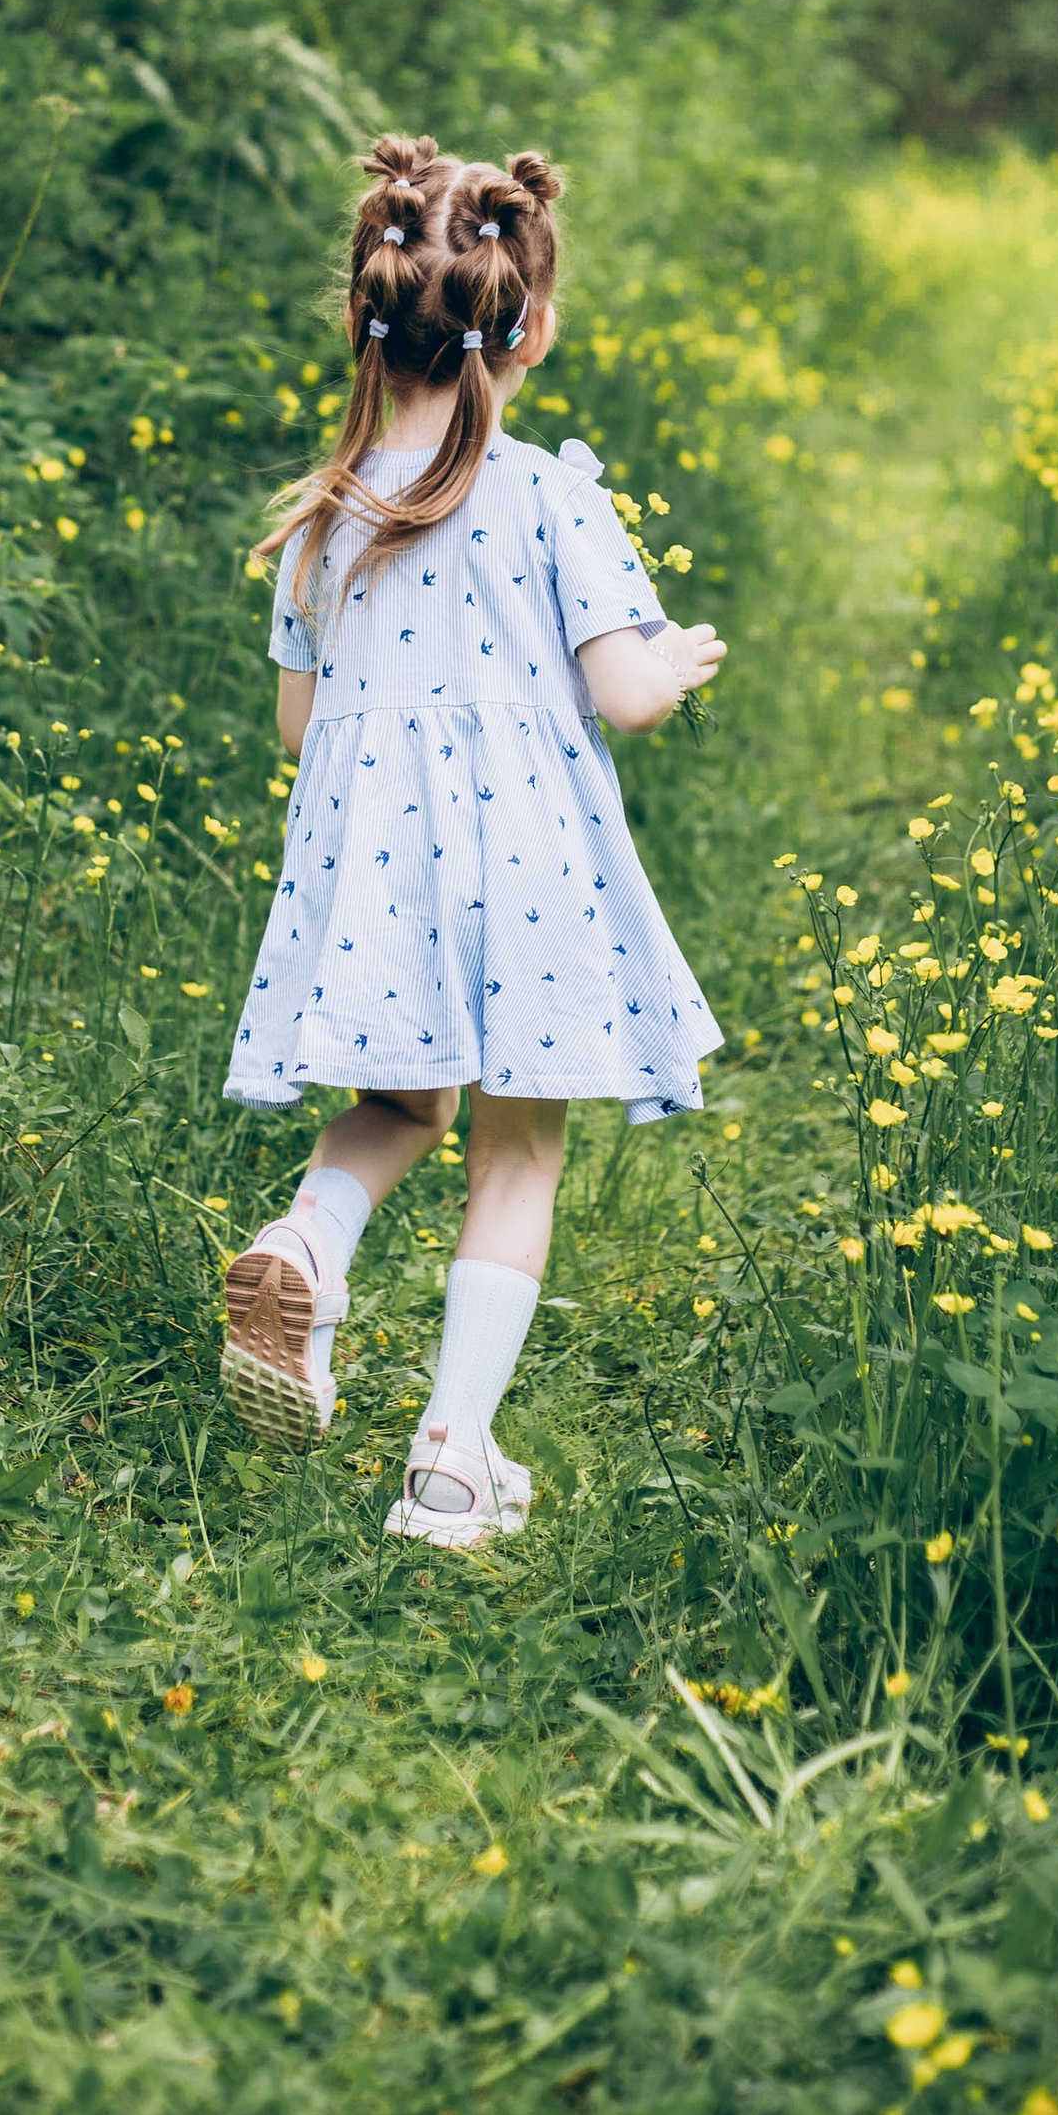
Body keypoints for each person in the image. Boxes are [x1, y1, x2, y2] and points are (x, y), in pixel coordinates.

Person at [219, 135, 726, 1545]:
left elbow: (292, 724)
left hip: (378, 868)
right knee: (514, 1150)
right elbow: (624, 696)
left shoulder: (328, 514)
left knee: (400, 1106)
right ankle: (449, 1460)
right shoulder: (555, 492)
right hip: (532, 873)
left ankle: (305, 1239)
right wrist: (677, 657)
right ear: (532, 321)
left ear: (370, 312)